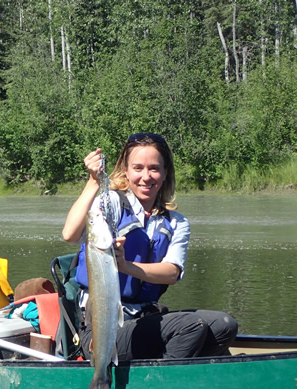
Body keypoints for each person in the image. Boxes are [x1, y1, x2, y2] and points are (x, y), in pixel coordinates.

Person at [62, 133, 238, 360]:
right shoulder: (113, 202)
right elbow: (70, 234)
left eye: (154, 168)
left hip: (144, 319)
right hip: (101, 329)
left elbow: (172, 272)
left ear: (165, 173)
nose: (146, 176)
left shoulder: (177, 222)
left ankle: (178, 367)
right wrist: (94, 182)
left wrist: (126, 265)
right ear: (126, 170)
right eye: (138, 168)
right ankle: (165, 382)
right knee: (192, 327)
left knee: (225, 325)